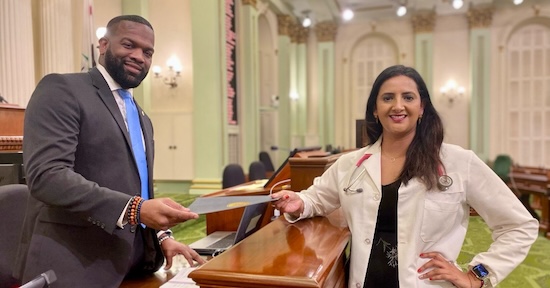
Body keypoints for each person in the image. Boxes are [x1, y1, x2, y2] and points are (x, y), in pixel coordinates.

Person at [272, 65, 539, 288]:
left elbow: (519, 225)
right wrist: (298, 202)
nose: (397, 106)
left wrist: (477, 275)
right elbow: (317, 199)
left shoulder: (459, 162)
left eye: (408, 97)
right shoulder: (351, 164)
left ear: (422, 108)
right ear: (375, 110)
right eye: (387, 98)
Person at [14, 15, 205, 287]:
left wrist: (161, 237)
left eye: (147, 52)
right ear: (103, 45)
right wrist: (135, 210)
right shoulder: (62, 89)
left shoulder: (142, 117)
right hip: (76, 268)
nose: (139, 56)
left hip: (136, 265)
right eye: (129, 45)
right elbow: (47, 176)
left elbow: (136, 189)